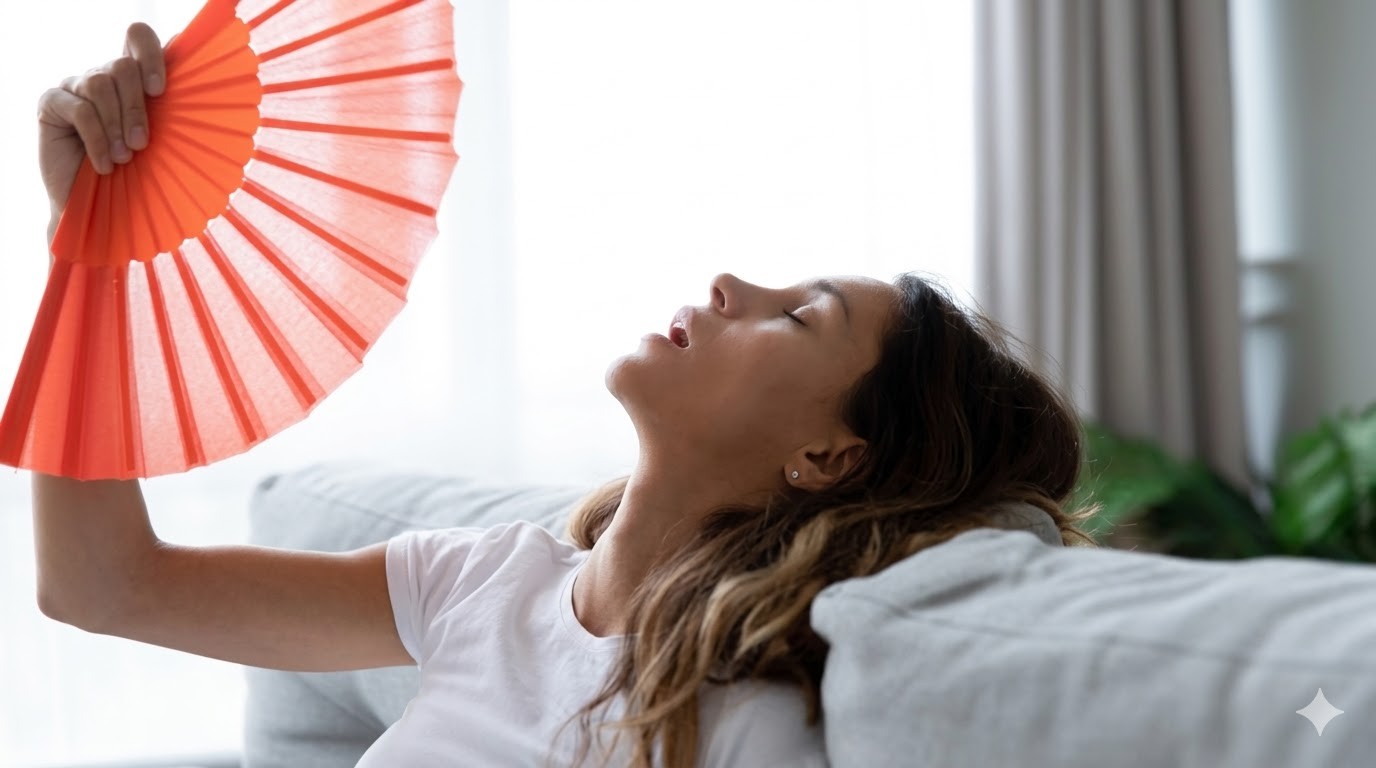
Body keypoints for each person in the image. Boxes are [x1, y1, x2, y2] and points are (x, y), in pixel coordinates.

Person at [31, 22, 1096, 768]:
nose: (729, 283)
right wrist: (92, 244)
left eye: (797, 316)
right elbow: (105, 586)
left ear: (827, 457)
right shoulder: (490, 581)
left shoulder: (736, 724)